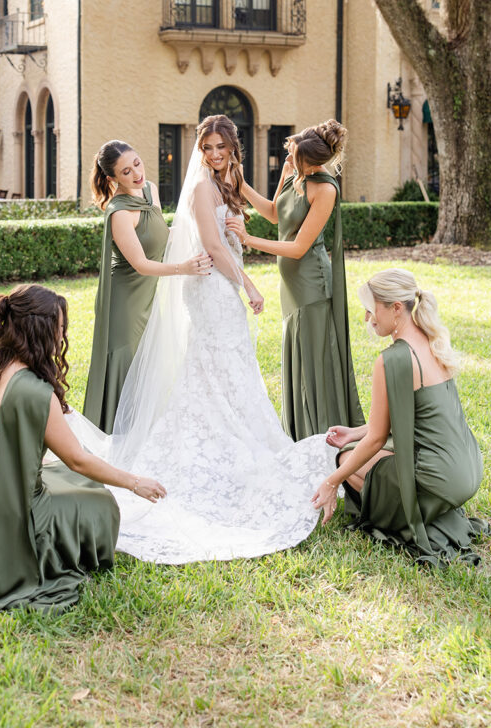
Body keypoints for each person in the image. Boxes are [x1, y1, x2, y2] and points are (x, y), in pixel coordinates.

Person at [57, 115, 336, 564]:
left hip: (221, 284)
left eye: (221, 145)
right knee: (217, 363)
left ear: (232, 146)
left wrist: (282, 179)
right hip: (213, 286)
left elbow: (263, 213)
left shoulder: (228, 181)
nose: (214, 153)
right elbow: (213, 243)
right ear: (200, 150)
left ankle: (238, 440)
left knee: (225, 367)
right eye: (207, 146)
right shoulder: (204, 187)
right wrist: (248, 285)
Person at [0, 284, 166, 612]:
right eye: (59, 327)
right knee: (98, 501)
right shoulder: (35, 391)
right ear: (42, 330)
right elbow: (78, 460)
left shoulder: (0, 367)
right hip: (1, 513)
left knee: (65, 477)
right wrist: (135, 483)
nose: (62, 335)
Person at [311, 269, 489, 566]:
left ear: (395, 308)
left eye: (372, 310)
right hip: (467, 470)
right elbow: (408, 417)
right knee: (365, 447)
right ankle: (432, 508)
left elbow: (377, 438)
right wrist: (354, 433)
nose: (368, 318)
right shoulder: (432, 341)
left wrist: (332, 481)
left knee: (346, 460)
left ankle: (414, 513)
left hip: (441, 478)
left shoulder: (391, 360)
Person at [226, 120, 364, 439]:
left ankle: (323, 434)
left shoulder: (325, 188)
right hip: (291, 287)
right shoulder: (294, 173)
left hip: (313, 285)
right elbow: (275, 213)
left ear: (312, 160)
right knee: (299, 357)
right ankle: (300, 432)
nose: (288, 157)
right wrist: (240, 183)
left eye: (294, 154)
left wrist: (248, 240)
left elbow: (300, 248)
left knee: (315, 362)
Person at [84, 139, 211, 430]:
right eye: (125, 171)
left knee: (147, 368)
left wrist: (203, 230)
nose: (136, 174)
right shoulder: (119, 213)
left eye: (137, 163)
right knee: (127, 366)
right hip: (125, 303)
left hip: (148, 299)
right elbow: (141, 264)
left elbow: (158, 235)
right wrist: (185, 268)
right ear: (112, 178)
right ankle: (114, 436)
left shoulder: (150, 190)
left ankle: (141, 434)